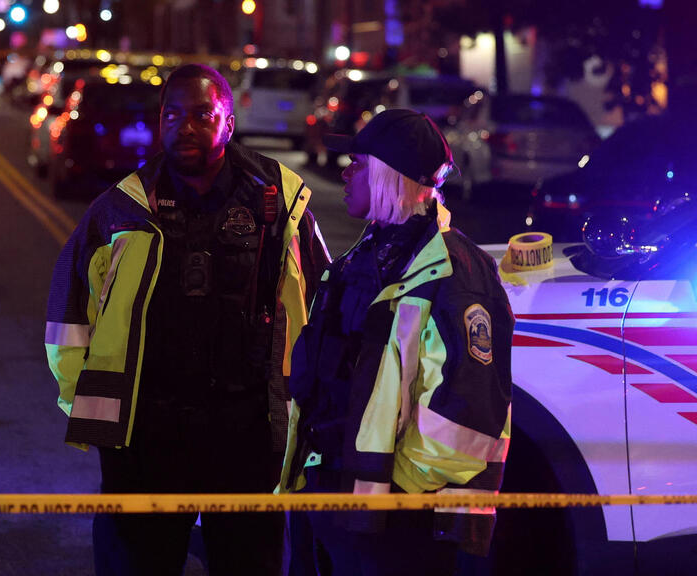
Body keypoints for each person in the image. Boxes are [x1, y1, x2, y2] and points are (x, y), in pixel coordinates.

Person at [45, 64, 330, 576]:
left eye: (202, 114)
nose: (185, 127)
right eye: (173, 115)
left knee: (250, 564)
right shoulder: (123, 208)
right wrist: (92, 405)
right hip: (147, 434)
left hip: (245, 433)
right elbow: (68, 315)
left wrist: (302, 411)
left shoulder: (278, 201)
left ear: (228, 121)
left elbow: (320, 307)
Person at [278, 109, 513, 576]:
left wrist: (397, 493)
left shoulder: (456, 272)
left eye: (358, 163)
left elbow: (468, 413)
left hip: (391, 525)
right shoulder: (369, 255)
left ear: (389, 175)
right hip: (333, 498)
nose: (345, 173)